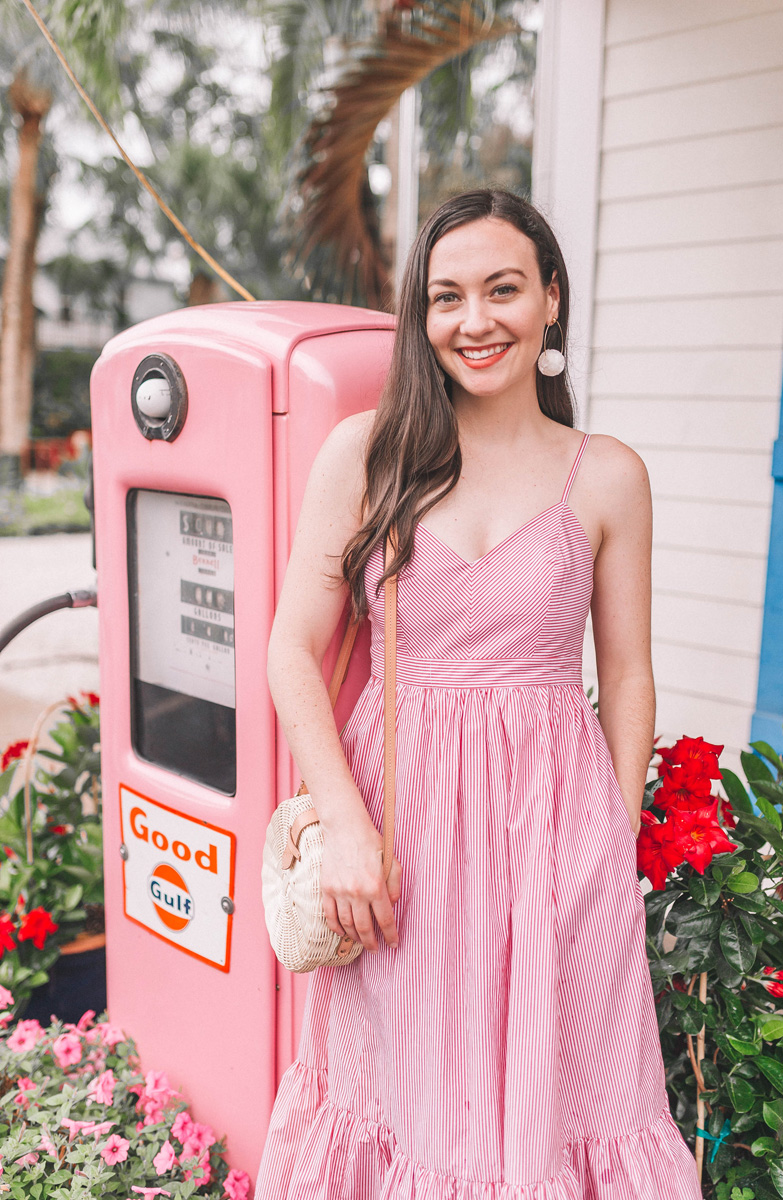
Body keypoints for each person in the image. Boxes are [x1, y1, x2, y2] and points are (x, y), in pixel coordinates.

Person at [255, 189, 702, 1199]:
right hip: (396, 831)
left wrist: (610, 831)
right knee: (409, 1101)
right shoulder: (369, 456)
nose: (474, 320)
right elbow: (292, 649)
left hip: (555, 833)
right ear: (421, 316)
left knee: (562, 1100)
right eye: (446, 297)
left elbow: (627, 673)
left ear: (550, 300)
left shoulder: (608, 477)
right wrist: (344, 822)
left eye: (502, 289)